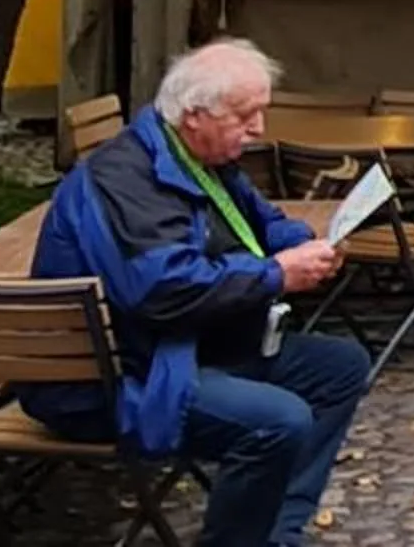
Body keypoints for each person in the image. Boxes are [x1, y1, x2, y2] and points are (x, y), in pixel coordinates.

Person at [26, 40, 365, 547]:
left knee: (341, 367)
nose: (259, 130)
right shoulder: (126, 181)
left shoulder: (198, 156)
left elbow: (260, 222)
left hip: (179, 350)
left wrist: (306, 247)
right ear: (193, 116)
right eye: (246, 116)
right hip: (120, 377)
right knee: (278, 420)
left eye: (261, 112)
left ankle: (277, 534)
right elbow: (163, 291)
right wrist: (275, 275)